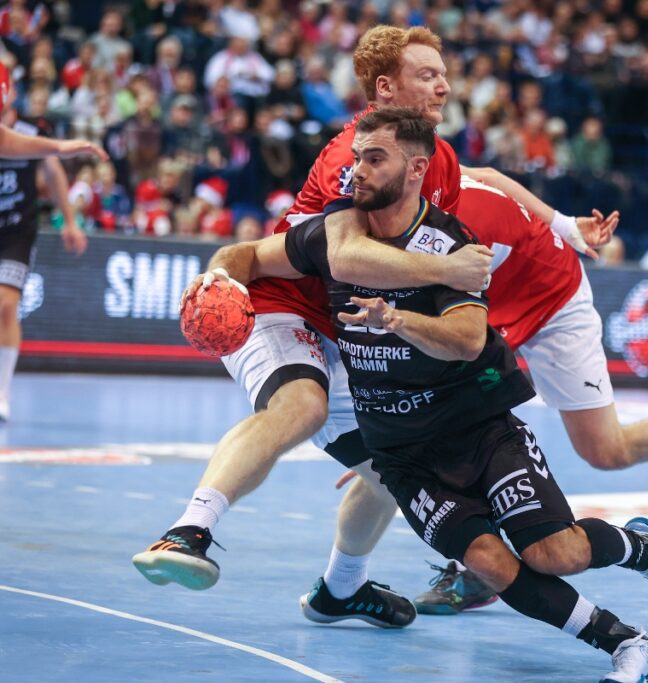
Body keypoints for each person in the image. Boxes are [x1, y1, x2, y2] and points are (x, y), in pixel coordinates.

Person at [131, 25, 609, 619]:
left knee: (395, 471)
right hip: (283, 306)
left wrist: (561, 224)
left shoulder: (435, 157)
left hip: (351, 331)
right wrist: (446, 269)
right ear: (386, 88)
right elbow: (345, 257)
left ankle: (340, 590)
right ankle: (188, 531)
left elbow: (485, 178)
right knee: (302, 406)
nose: (444, 85)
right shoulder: (354, 157)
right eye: (427, 75)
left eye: (444, 73)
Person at [250, 106, 648, 682]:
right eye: (355, 159)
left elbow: (469, 339)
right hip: (402, 454)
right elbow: (251, 255)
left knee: (556, 553)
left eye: (374, 159)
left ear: (416, 169)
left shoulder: (452, 243)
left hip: (477, 427)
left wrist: (394, 319)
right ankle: (629, 644)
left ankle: (642, 549)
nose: (357, 172)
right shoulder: (334, 235)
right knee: (490, 564)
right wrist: (218, 275)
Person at [325, 171, 648, 615]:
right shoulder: (403, 191)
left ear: (412, 170)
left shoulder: (442, 219)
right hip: (490, 300)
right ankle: (438, 573)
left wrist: (394, 435)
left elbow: (485, 190)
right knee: (437, 435)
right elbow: (489, 174)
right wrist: (564, 223)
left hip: (551, 298)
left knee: (606, 450)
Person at [0, 81, 89, 422]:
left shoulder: (31, 130)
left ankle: (2, 392)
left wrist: (70, 221)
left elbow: (52, 170)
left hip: (16, 231)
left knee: (6, 305)